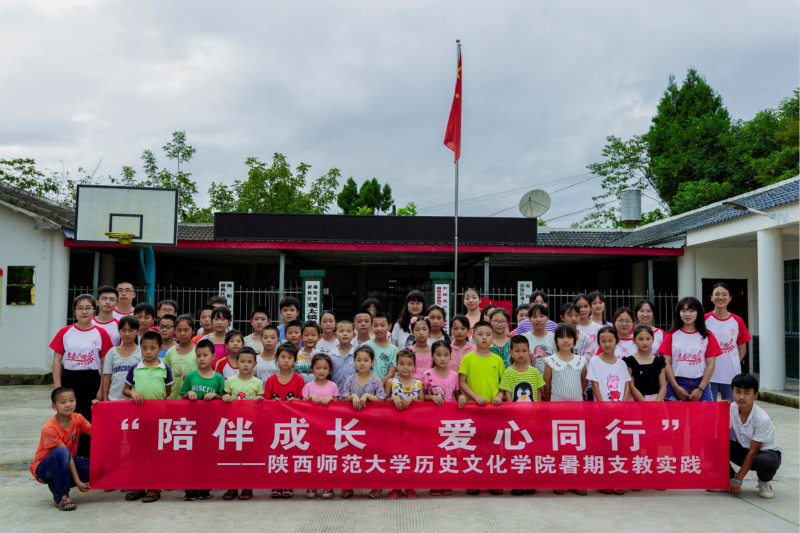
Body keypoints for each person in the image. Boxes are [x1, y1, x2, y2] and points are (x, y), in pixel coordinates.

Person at [50, 294, 113, 457]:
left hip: (92, 380)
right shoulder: (65, 332)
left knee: (89, 419)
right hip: (70, 379)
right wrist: (58, 388)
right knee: (68, 417)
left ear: (94, 310)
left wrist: (101, 389)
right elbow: (57, 360)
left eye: (88, 308)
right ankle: (69, 455)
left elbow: (105, 362)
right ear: (74, 311)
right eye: (80, 308)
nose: (84, 312)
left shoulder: (101, 333)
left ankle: (88, 456)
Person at [122, 330, 172, 503]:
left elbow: (167, 391)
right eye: (144, 348)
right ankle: (138, 486)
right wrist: (133, 393)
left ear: (160, 349)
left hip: (158, 419)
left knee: (155, 453)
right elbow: (125, 389)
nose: (148, 352)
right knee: (136, 451)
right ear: (140, 349)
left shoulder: (165, 369)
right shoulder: (135, 368)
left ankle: (154, 487)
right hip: (138, 419)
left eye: (152, 348)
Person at [458, 320, 504, 496]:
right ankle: (474, 480)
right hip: (473, 410)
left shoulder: (498, 359)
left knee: (493, 446)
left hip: (494, 411)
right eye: (480, 334)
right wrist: (475, 396)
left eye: (488, 334)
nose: (484, 337)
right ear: (473, 336)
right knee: (474, 445)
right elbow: (462, 382)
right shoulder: (468, 358)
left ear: (493, 337)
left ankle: (493, 480)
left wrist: (500, 396)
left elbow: (503, 383)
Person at [543, 323, 587, 496]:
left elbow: (583, 381)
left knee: (576, 445)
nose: (565, 340)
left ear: (574, 340)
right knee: (558, 445)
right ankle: (559, 480)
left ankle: (576, 480)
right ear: (556, 340)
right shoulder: (550, 361)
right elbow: (546, 383)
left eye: (569, 337)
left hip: (577, 410)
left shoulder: (581, 360)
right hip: (556, 409)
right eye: (561, 337)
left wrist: (580, 395)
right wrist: (550, 402)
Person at [31, 387, 91, 511]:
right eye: (63, 402)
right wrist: (78, 481)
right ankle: (62, 496)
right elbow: (65, 454)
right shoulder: (49, 428)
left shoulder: (78, 418)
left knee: (100, 465)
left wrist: (98, 409)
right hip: (44, 469)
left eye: (72, 400)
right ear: (54, 406)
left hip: (66, 462)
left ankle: (57, 483)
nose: (68, 405)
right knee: (62, 452)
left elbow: (98, 435)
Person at [180, 338, 224, 501]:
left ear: (213, 356)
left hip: (210, 424)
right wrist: (188, 394)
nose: (201, 359)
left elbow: (224, 397)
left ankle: (205, 486)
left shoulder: (218, 377)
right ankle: (190, 488)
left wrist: (216, 395)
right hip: (191, 424)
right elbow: (181, 396)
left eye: (205, 355)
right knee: (191, 456)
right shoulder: (191, 376)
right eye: (198, 356)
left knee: (208, 455)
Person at [340, 345, 386, 500]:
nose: (362, 363)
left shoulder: (376, 380)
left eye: (366, 360)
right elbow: (343, 398)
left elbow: (381, 399)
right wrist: (353, 396)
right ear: (354, 361)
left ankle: (376, 486)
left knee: (372, 454)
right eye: (359, 360)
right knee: (352, 454)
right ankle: (348, 485)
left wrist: (367, 395)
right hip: (353, 424)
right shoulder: (350, 379)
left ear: (372, 362)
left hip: (371, 424)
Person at [727, 373, 781, 499]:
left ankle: (764, 482)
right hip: (744, 450)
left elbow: (753, 452)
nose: (741, 396)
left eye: (747, 393)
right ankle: (728, 479)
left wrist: (739, 479)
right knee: (714, 444)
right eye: (738, 392)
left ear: (755, 395)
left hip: (764, 453)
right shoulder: (731, 408)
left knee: (765, 462)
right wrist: (721, 407)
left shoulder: (762, 418)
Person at [659, 297, 722, 402]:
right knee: (674, 413)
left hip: (700, 384)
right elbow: (666, 363)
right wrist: (675, 387)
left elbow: (711, 365)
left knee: (704, 413)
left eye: (691, 311)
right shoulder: (671, 335)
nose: (687, 314)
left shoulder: (707, 336)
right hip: (676, 383)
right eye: (683, 311)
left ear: (698, 313)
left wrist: (700, 389)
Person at [220, 347, 263, 501]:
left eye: (249, 362)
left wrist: (260, 400)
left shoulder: (258, 383)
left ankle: (247, 486)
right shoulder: (230, 381)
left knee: (248, 458)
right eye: (242, 361)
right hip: (233, 426)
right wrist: (225, 397)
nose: (246, 364)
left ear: (255, 364)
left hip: (250, 426)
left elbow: (262, 403)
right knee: (232, 457)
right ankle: (232, 486)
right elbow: (225, 396)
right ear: (236, 362)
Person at [264, 343, 305, 500]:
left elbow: (303, 401)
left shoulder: (298, 379)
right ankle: (276, 483)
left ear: (295, 361)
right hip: (275, 423)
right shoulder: (271, 380)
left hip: (293, 423)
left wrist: (297, 401)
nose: (286, 360)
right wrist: (272, 403)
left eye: (290, 358)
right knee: (276, 452)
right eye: (282, 357)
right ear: (276, 359)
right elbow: (266, 402)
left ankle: (288, 483)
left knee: (291, 452)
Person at [423, 341, 461, 497]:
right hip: (432, 420)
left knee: (448, 451)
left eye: (446, 355)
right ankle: (434, 482)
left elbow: (457, 393)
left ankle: (446, 482)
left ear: (451, 356)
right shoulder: (427, 375)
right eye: (438, 355)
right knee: (434, 451)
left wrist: (461, 398)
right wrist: (431, 397)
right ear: (432, 356)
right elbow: (422, 396)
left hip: (450, 420)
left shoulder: (454, 375)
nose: (442, 358)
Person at [385, 349, 424, 500]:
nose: (405, 367)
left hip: (413, 426)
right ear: (396, 365)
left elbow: (422, 404)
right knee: (396, 455)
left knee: (411, 455)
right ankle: (396, 487)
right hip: (394, 426)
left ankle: (409, 487)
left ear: (414, 366)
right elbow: (383, 401)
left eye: (409, 364)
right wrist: (394, 399)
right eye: (401, 364)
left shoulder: (418, 383)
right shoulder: (391, 382)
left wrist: (413, 399)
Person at [706, 283, 752, 402]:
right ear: (711, 297)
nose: (720, 297)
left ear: (730, 298)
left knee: (731, 408)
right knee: (709, 409)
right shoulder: (704, 320)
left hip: (731, 374)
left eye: (724, 294)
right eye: (717, 294)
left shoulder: (737, 321)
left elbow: (742, 349)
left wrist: (732, 362)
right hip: (708, 375)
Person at [302, 353, 339, 500]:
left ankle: (327, 484)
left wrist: (331, 399)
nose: (321, 371)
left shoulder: (333, 386)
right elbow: (301, 405)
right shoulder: (308, 386)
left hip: (328, 427)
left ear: (330, 370)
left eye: (325, 368)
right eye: (318, 368)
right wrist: (310, 397)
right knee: (312, 456)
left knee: (327, 456)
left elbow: (338, 405)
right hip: (311, 427)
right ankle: (312, 484)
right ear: (312, 369)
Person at [101, 315, 141, 401]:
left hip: (135, 400)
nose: (127, 334)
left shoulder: (142, 352)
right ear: (119, 331)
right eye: (123, 330)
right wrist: (105, 399)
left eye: (131, 330)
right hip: (114, 399)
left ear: (137, 331)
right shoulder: (112, 352)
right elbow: (106, 377)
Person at [588, 326, 631, 403]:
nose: (607, 344)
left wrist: (623, 405)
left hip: (620, 407)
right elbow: (594, 386)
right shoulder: (594, 361)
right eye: (603, 341)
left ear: (616, 341)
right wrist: (603, 406)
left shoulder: (622, 364)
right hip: (601, 407)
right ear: (599, 342)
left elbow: (627, 386)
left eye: (610, 341)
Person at [624, 325, 666, 401]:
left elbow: (663, 386)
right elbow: (631, 385)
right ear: (634, 340)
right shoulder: (630, 361)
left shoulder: (659, 362)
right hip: (637, 401)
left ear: (653, 340)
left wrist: (658, 402)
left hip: (657, 401)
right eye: (640, 339)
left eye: (648, 339)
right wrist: (644, 402)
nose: (645, 342)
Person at [501, 335, 545, 403]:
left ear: (528, 351)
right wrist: (511, 408)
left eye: (524, 351)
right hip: (514, 409)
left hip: (533, 409)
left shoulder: (535, 371)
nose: (521, 354)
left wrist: (538, 406)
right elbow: (507, 394)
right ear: (511, 352)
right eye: (517, 351)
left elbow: (539, 391)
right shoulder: (507, 372)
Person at [164, 314, 198, 398]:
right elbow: (165, 375)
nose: (182, 334)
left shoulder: (198, 352)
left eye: (186, 330)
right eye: (179, 330)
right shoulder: (170, 352)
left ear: (193, 331)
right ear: (175, 331)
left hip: (193, 398)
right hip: (173, 398)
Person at [362, 311, 397, 385]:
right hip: (365, 386)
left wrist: (378, 386)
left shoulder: (394, 350)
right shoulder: (364, 346)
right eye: (375, 325)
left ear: (389, 326)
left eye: (382, 325)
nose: (379, 328)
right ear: (371, 326)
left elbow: (391, 373)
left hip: (384, 388)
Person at [521, 304, 555, 375]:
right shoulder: (524, 338)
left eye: (542, 316)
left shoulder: (554, 337)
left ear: (547, 318)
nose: (538, 320)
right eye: (534, 317)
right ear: (530, 319)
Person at [331, 320, 357, 391]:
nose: (345, 334)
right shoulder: (331, 355)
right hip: (335, 394)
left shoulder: (358, 353)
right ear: (335, 335)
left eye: (348, 331)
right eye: (341, 331)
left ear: (354, 335)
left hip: (354, 395)